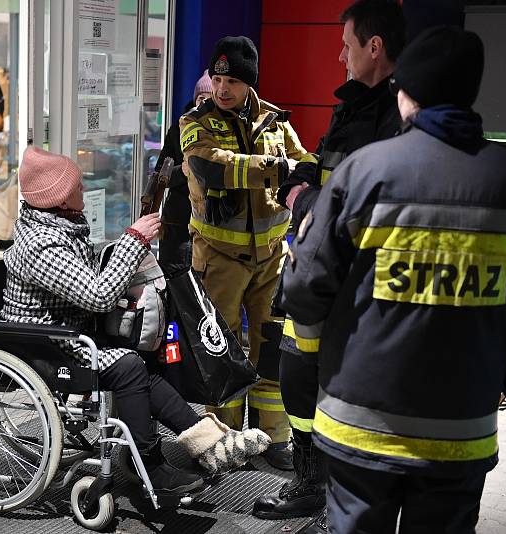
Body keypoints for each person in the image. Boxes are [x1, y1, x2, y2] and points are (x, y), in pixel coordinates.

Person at [280, 27, 506, 534]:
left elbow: (304, 289)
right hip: (463, 428)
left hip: (363, 424)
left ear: (407, 92)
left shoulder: (366, 172)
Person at [0, 146, 270, 496]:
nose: (84, 191)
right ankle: (149, 464)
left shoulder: (59, 228)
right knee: (129, 366)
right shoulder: (42, 244)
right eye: (78, 188)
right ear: (61, 200)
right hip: (44, 347)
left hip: (68, 334)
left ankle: (210, 444)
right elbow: (96, 295)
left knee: (142, 358)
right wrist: (134, 241)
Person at [254, 0, 405, 525]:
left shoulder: (396, 118)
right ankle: (309, 482)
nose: (340, 57)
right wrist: (302, 180)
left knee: (344, 395)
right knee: (298, 374)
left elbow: (365, 203)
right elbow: (330, 172)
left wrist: (306, 202)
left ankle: (338, 502)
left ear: (374, 47)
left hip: (355, 282)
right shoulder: (354, 107)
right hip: (316, 272)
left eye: (346, 46)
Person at [179, 36, 317, 471]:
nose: (221, 89)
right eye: (217, 79)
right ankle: (223, 440)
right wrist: (277, 170)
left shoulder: (275, 122)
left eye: (231, 81)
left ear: (249, 83)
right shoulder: (195, 121)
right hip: (219, 259)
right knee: (222, 352)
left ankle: (275, 437)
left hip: (272, 259)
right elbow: (210, 162)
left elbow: (304, 161)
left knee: (271, 349)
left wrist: (309, 169)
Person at [155, 70, 213, 274]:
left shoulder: (227, 135)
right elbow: (159, 176)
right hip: (178, 225)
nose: (203, 104)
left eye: (210, 99)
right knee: (175, 284)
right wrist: (185, 170)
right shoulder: (177, 130)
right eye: (201, 98)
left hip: (212, 228)